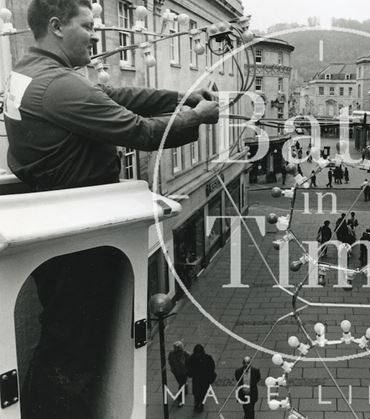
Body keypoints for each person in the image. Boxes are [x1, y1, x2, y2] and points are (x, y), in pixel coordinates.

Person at [5, 1, 220, 417]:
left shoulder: (29, 74)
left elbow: (115, 95)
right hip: (81, 239)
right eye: (87, 26)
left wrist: (181, 97)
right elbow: (140, 131)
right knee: (77, 348)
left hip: (59, 225)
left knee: (61, 335)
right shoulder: (58, 87)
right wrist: (197, 117)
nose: (96, 35)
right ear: (56, 26)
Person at [188, 344, 217, 412]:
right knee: (198, 391)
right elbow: (212, 367)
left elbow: (211, 367)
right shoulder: (207, 357)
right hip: (200, 378)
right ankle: (199, 402)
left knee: (200, 391)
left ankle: (199, 402)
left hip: (202, 378)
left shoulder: (193, 358)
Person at [168, 341, 191, 407]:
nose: (178, 352)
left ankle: (181, 399)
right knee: (180, 382)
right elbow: (170, 361)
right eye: (177, 350)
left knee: (181, 385)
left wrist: (187, 370)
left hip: (184, 372)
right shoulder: (171, 354)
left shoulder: (186, 354)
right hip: (176, 372)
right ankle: (185, 386)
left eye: (179, 350)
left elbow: (189, 363)